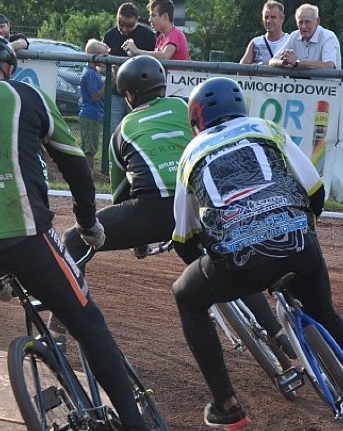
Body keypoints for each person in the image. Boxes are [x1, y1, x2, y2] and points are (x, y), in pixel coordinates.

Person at [0, 30, 179, 431]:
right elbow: (75, 165)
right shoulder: (24, 95)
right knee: (85, 319)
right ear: (7, 67)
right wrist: (87, 222)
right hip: (25, 237)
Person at [171, 76, 343, 431]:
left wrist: (206, 259)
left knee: (186, 296)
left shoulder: (191, 155)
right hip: (297, 245)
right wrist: (301, 231)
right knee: (327, 316)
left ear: (197, 120)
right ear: (241, 108)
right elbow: (314, 189)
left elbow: (184, 234)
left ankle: (226, 404)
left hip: (239, 262)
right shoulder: (265, 128)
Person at [59, 56, 289, 353]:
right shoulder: (186, 107)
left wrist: (139, 243)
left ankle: (59, 329)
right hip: (207, 201)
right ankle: (276, 331)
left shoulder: (123, 129)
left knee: (72, 240)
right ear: (163, 85)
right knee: (227, 262)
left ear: (129, 95)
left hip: (155, 211)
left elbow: (122, 195)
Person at [102, 2, 156, 131]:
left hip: (140, 95)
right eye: (121, 24)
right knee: (113, 132)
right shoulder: (110, 35)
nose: (125, 29)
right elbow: (100, 65)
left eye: (130, 26)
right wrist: (110, 71)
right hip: (115, 93)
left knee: (138, 131)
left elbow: (155, 62)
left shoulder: (147, 35)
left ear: (137, 20)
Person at [268, 3, 341, 70]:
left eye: (307, 22)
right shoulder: (294, 36)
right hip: (300, 84)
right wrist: (284, 62)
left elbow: (328, 65)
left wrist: (296, 62)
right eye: (300, 22)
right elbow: (272, 61)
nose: (303, 26)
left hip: (327, 84)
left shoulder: (328, 37)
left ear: (317, 21)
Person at [121, 0, 190, 61]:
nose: (150, 20)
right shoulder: (161, 37)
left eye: (153, 15)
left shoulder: (175, 34)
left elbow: (165, 56)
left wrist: (137, 51)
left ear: (165, 16)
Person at [78, 38, 109, 176]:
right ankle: (88, 174)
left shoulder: (94, 72)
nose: (105, 59)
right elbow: (95, 96)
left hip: (94, 114)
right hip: (90, 113)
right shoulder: (90, 73)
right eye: (103, 56)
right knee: (89, 148)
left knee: (91, 145)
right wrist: (108, 82)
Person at [239, 0, 289, 65]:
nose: (268, 21)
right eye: (266, 17)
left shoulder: (290, 41)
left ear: (282, 18)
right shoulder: (255, 43)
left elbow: (296, 67)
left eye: (273, 17)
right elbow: (241, 69)